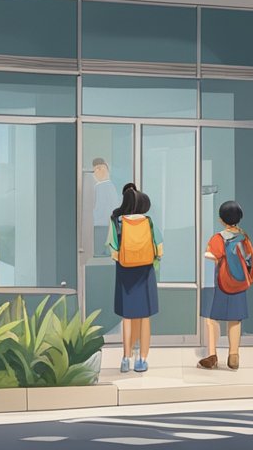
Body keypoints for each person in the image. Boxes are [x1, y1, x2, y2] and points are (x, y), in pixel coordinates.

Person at [108, 183, 162, 374]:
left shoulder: (117, 221)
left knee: (128, 318)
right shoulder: (148, 222)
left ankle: (125, 358)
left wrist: (125, 259)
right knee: (144, 317)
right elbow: (159, 249)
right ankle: (142, 359)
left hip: (125, 272)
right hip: (145, 272)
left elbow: (113, 251)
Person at [198, 200, 253, 371]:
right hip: (239, 284)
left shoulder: (218, 238)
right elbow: (249, 258)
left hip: (222, 284)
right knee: (235, 319)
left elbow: (210, 255)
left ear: (221, 219)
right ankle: (234, 354)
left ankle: (212, 355)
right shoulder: (245, 238)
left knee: (212, 319)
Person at [91, 159, 120, 257]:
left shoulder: (103, 186)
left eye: (101, 168)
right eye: (96, 169)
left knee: (101, 253)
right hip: (104, 224)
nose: (99, 172)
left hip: (102, 224)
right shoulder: (104, 186)